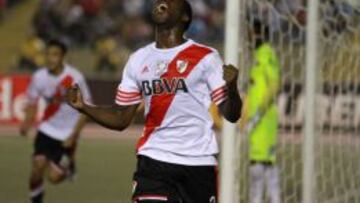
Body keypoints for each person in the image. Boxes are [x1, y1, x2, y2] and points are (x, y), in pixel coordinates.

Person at [66, 0, 242, 202]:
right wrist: (84, 107)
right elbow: (121, 119)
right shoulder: (138, 59)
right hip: (154, 161)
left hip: (198, 164)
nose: (160, 3)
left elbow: (232, 114)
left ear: (185, 16)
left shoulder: (206, 57)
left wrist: (232, 87)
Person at [20, 39, 91, 203]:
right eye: (48, 54)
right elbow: (32, 103)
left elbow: (86, 109)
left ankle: (69, 165)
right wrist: (26, 123)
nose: (50, 58)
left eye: (55, 55)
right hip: (47, 129)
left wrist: (74, 136)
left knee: (54, 177)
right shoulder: (39, 77)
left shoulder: (73, 77)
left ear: (62, 57)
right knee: (37, 168)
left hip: (68, 133)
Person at [242, 19, 281, 203]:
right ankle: (273, 198)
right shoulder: (258, 55)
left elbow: (274, 84)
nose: (249, 36)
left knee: (259, 162)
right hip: (258, 118)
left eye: (252, 32)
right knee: (265, 161)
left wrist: (259, 112)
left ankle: (264, 198)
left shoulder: (266, 53)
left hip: (264, 118)